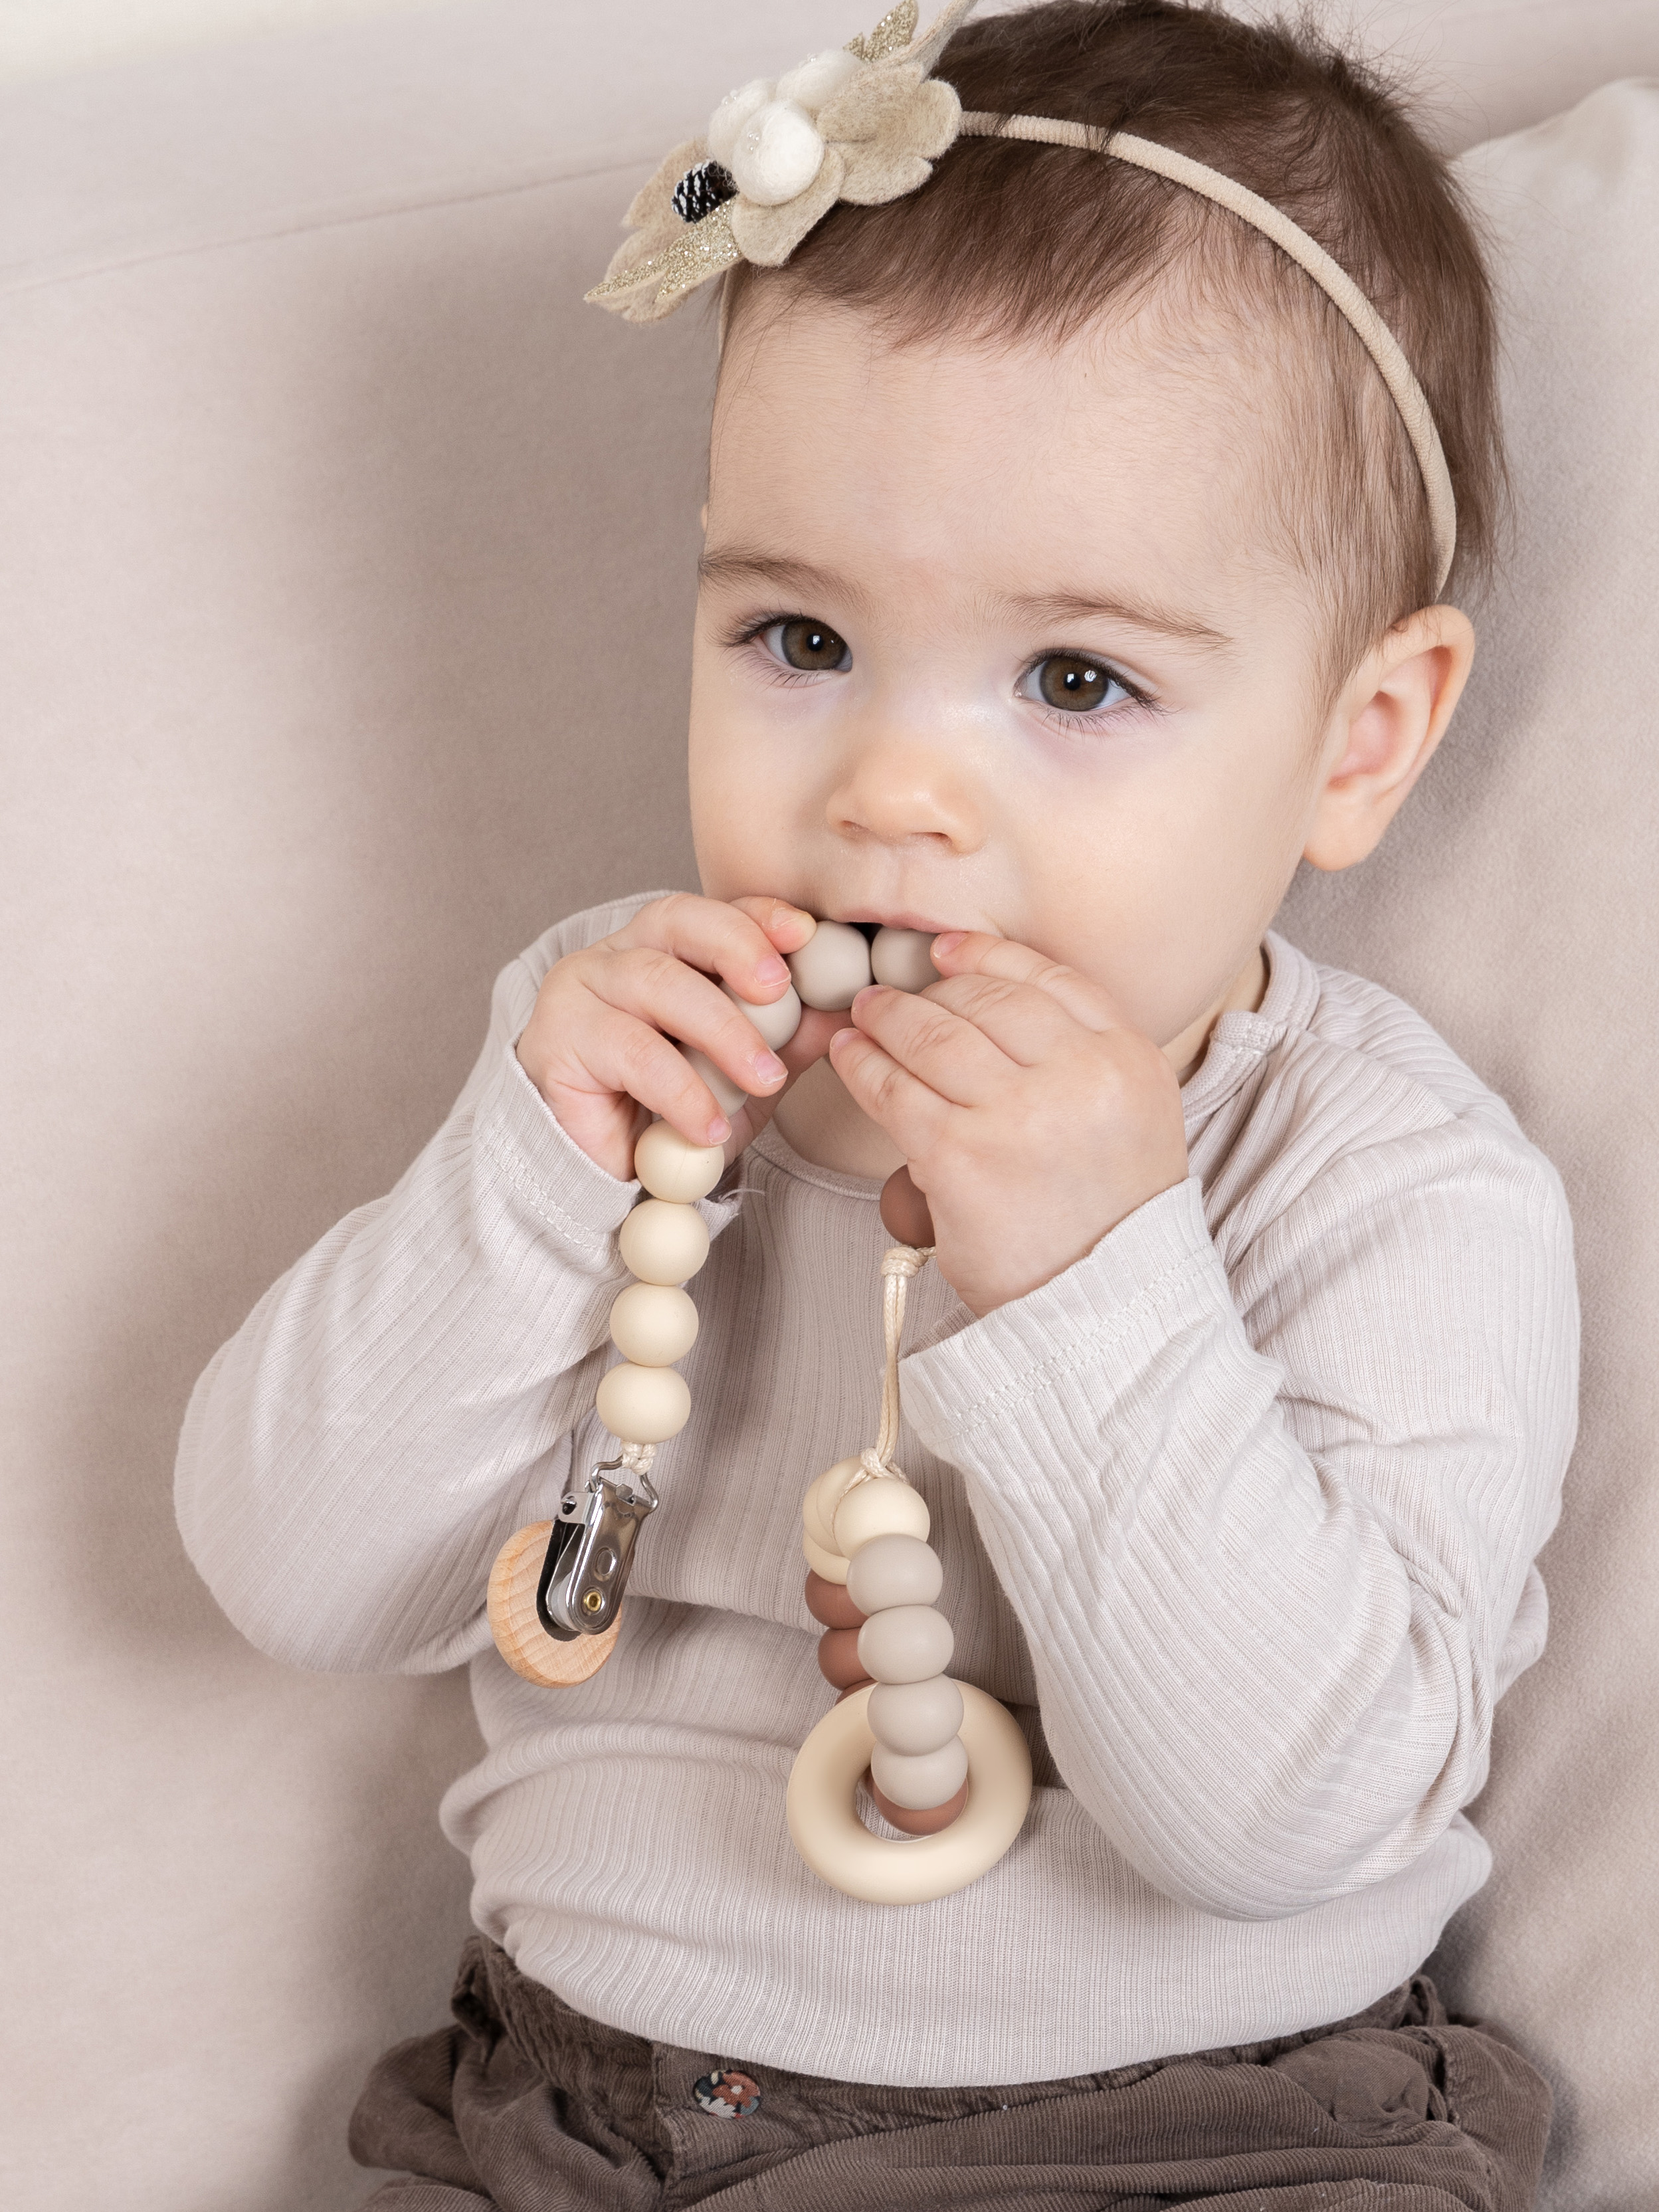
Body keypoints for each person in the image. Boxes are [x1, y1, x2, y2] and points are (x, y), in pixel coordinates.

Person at [173, 2, 1578, 2203]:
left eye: (1078, 680)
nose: (891, 795)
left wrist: (1100, 1274)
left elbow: (1287, 1814)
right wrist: (529, 1174)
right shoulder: (623, 1061)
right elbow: (300, 1574)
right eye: (799, 641)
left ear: (1357, 740)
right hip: (576, 2111)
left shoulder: (1387, 1178)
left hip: (1202, 2129)